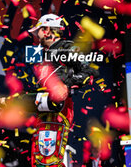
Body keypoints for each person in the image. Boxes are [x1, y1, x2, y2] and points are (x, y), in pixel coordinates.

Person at [27, 13, 99, 167]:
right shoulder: (42, 53)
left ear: (46, 30)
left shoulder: (68, 48)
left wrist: (67, 85)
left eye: (38, 31)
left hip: (60, 109)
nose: (36, 36)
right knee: (39, 156)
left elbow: (90, 72)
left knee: (49, 156)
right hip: (43, 108)